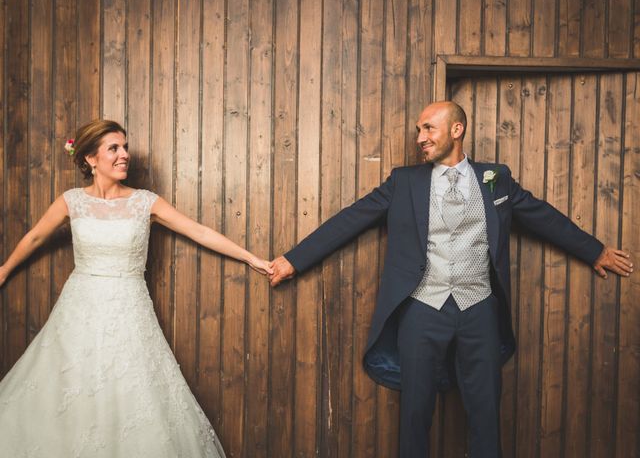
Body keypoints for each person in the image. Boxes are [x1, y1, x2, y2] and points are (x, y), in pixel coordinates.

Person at [268, 101, 634, 458]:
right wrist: (293, 260)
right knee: (414, 413)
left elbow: (542, 216)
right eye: (418, 130)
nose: (420, 138)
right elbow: (351, 219)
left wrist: (594, 250)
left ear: (456, 130)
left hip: (480, 309)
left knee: (486, 411)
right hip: (422, 309)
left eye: (428, 128)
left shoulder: (496, 178)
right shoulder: (404, 182)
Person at [0, 119, 272, 457]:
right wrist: (3, 270)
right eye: (114, 148)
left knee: (134, 391)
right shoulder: (72, 201)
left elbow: (198, 231)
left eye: (124, 147)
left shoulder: (145, 202)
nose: (124, 154)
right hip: (78, 310)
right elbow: (36, 236)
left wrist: (251, 258)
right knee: (69, 388)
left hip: (130, 309)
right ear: (90, 159)